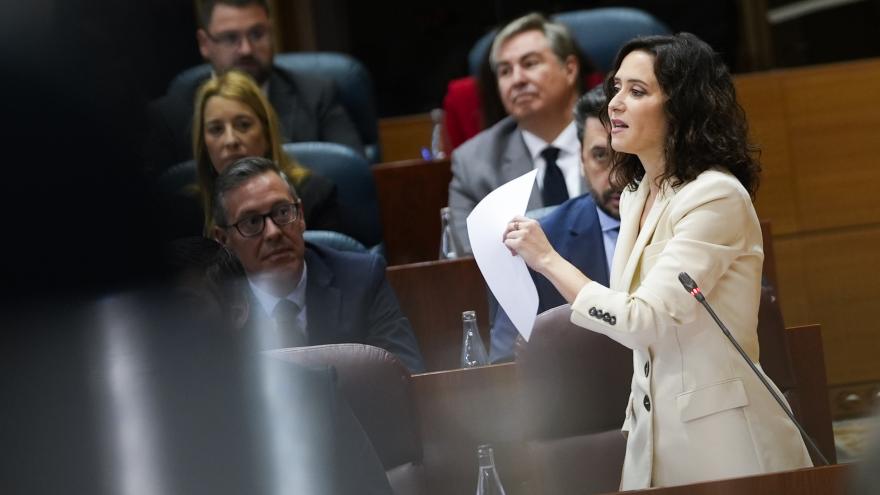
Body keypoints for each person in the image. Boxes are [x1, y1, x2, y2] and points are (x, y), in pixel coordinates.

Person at [503, 33, 812, 488]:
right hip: (653, 434)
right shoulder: (637, 194)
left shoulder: (715, 197)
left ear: (681, 108)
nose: (615, 105)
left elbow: (644, 320)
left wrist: (548, 259)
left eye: (637, 91)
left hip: (723, 442)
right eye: (616, 88)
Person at [211, 156, 425, 373]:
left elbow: (406, 374)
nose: (273, 232)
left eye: (283, 212)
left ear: (301, 215)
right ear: (223, 240)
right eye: (252, 222)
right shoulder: (214, 307)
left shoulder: (363, 279)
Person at [145, 0, 362, 175]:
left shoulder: (317, 95)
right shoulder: (170, 116)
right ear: (204, 43)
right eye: (230, 38)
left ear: (272, 31)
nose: (246, 49)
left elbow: (351, 176)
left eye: (257, 34)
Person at [490, 86, 621, 362]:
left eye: (628, 157)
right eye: (600, 156)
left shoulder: (681, 222)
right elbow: (504, 364)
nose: (617, 177)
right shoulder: (541, 241)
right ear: (581, 160)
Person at [448, 13, 586, 254]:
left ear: (570, 69)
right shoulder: (474, 164)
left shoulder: (617, 138)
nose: (517, 80)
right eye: (505, 72)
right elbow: (475, 260)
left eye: (530, 63)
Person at [192, 70, 340, 234]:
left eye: (243, 125)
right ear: (203, 143)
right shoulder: (185, 210)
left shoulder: (315, 195)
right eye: (216, 129)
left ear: (267, 133)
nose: (230, 140)